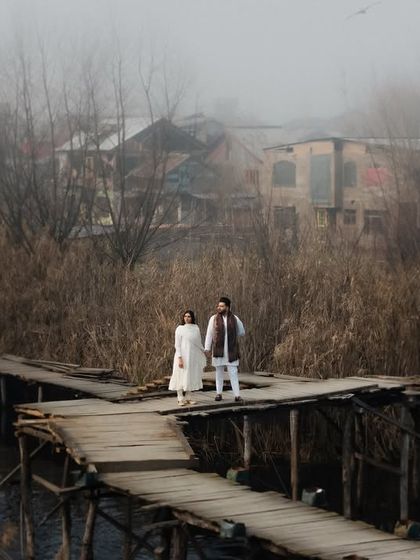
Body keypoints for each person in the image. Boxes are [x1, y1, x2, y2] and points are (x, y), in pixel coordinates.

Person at [204, 297, 245, 402]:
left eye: (222, 306)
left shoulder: (235, 318)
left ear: (227, 307)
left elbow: (242, 332)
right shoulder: (213, 319)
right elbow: (209, 334)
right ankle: (218, 394)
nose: (219, 308)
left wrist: (233, 335)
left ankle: (237, 395)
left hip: (231, 350)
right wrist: (207, 348)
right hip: (218, 350)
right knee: (219, 372)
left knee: (233, 372)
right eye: (218, 306)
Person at [169, 310, 205, 406]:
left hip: (192, 356)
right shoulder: (180, 329)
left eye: (189, 316)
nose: (187, 318)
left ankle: (189, 397)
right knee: (180, 375)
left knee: (190, 375)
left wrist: (204, 350)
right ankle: (180, 398)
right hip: (182, 356)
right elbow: (177, 345)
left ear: (192, 318)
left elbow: (198, 343)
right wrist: (180, 358)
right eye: (185, 316)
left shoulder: (196, 328)